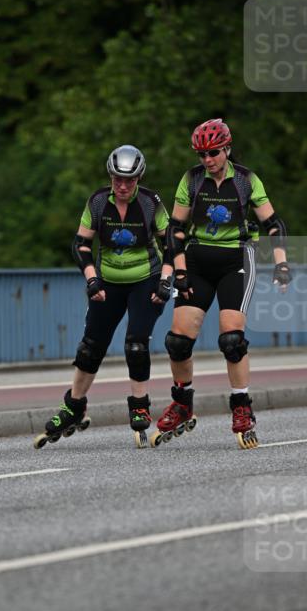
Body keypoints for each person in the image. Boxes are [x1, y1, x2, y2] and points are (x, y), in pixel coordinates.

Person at [152, 118, 291, 449]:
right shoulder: (192, 180)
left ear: (227, 149)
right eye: (201, 154)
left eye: (213, 152)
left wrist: (281, 262)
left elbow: (272, 223)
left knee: (231, 339)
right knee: (177, 341)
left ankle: (242, 407)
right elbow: (175, 231)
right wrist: (177, 272)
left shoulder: (245, 181)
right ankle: (182, 403)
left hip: (237, 260)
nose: (207, 159)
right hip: (199, 260)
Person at [34, 145, 173, 449]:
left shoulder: (151, 203)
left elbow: (172, 246)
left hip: (145, 279)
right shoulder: (97, 202)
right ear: (110, 176)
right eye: (117, 180)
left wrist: (165, 281)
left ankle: (139, 404)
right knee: (90, 348)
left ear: (139, 178)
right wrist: (92, 279)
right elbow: (80, 244)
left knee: (135, 344)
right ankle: (74, 406)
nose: (123, 187)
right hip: (107, 281)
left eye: (130, 180)